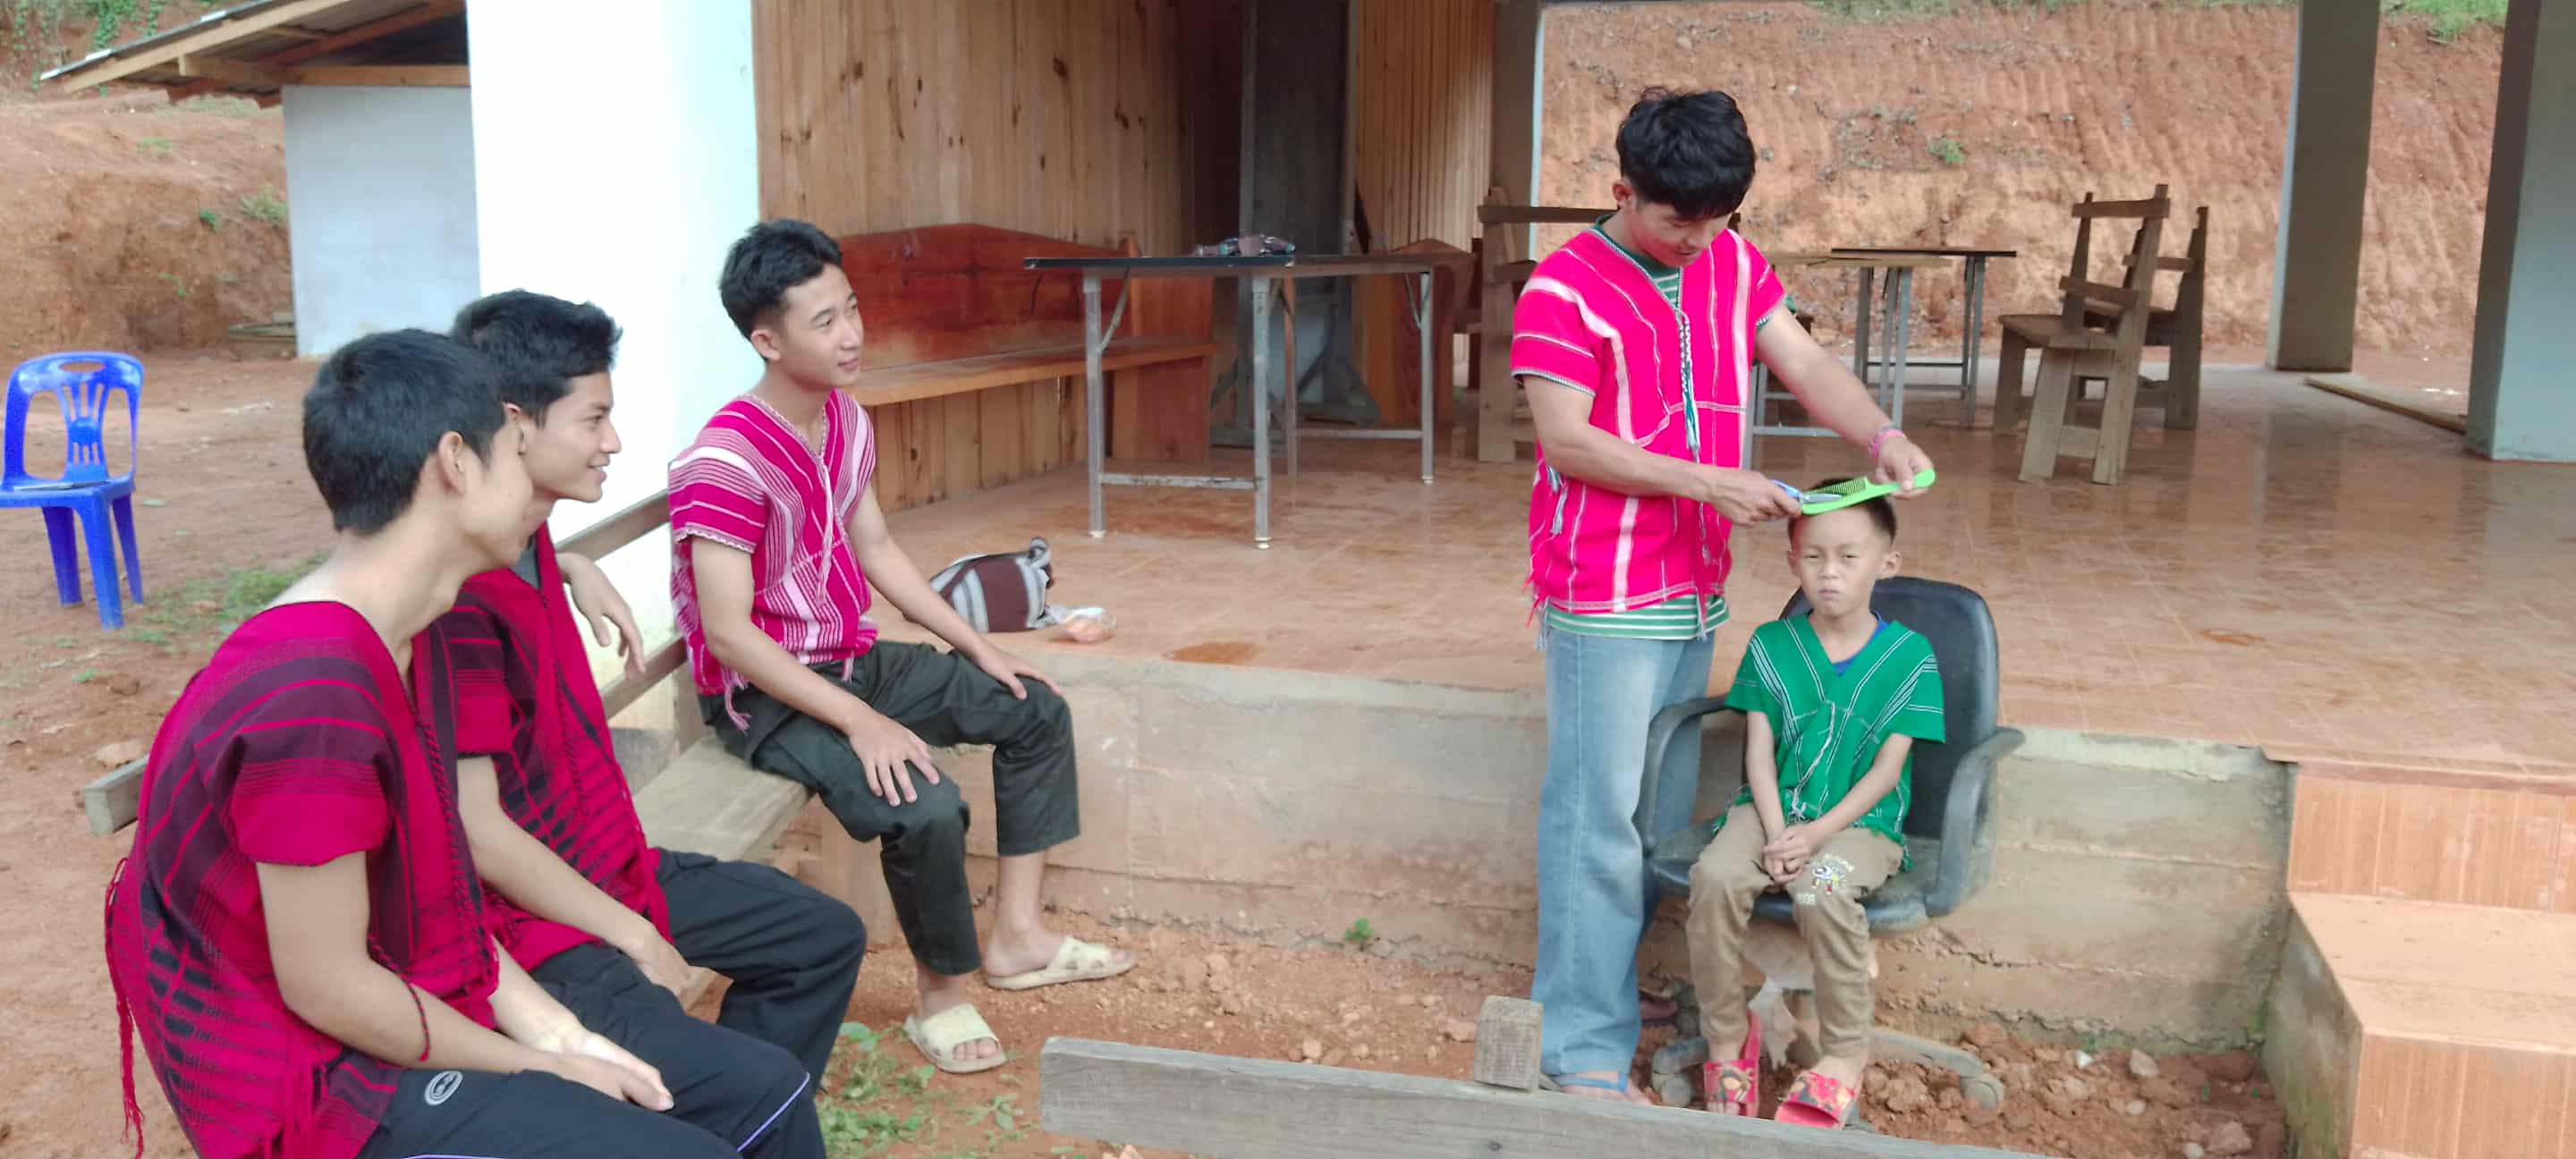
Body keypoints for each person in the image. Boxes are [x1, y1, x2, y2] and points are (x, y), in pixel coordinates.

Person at [105, 331, 797, 1159]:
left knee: (742, 1098)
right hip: (316, 1082)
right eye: (516, 448)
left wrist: (559, 1033)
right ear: (456, 463)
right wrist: (536, 1067)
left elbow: (435, 908)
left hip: (397, 1004)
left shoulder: (390, 634)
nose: (535, 474)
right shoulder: (314, 689)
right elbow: (330, 988)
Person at [1510, 88, 1938, 1103]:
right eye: (1677, 221)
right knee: (1595, 816)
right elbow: (1568, 441)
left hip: (1691, 584)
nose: (1700, 241)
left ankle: (1610, 993)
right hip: (1606, 590)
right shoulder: (1561, 290)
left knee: (1651, 810)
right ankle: (1579, 1042)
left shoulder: (1730, 263)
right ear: (1623, 190)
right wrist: (1712, 481)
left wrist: (1877, 434)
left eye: (1719, 221)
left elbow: (1801, 359)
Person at [668, 219, 1135, 1075]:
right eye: (823, 322)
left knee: (1034, 706)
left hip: (851, 657)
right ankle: (942, 996)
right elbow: (732, 636)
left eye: (851, 308)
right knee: (923, 805)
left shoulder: (844, 419)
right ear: (766, 340)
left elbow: (876, 547)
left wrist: (980, 646)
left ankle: (1020, 938)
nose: (851, 335)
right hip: (771, 696)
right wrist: (864, 725)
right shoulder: (723, 461)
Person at [432, 289, 867, 1090]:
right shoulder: (456, 603)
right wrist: (631, 935)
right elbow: (478, 833)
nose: (615, 442)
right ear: (515, 425)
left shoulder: (529, 534)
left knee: (821, 937)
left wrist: (569, 564)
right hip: (540, 922)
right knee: (737, 1088)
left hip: (612, 862)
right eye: (594, 420)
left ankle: (735, 1121)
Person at [1687, 486, 1943, 1129]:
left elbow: (1888, 772)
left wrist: (1816, 836)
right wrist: (1777, 832)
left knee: (1822, 890)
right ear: (1793, 561)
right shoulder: (1773, 644)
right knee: (1715, 877)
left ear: (1887, 562)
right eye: (1813, 557)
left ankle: (1844, 1056)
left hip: (1859, 828)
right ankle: (1726, 1038)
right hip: (1769, 814)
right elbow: (1759, 753)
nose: (1829, 573)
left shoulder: (1911, 657)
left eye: (1849, 557)